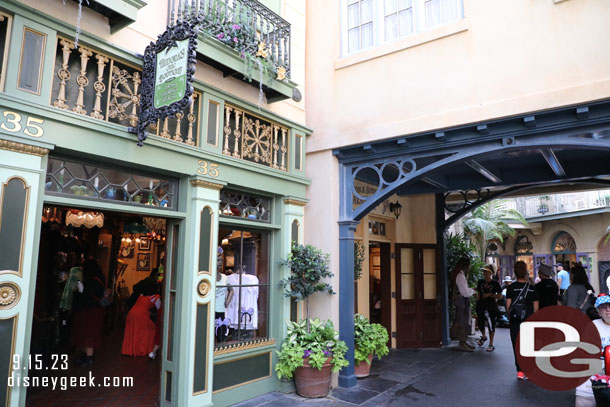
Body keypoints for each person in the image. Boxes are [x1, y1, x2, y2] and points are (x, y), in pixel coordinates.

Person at [506, 260, 539, 380]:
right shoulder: (532, 288)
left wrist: (509, 316)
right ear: (525, 272)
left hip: (515, 321)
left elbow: (508, 305)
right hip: (529, 320)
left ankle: (520, 371)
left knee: (516, 344)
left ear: (515, 272)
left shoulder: (511, 288)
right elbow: (536, 307)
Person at [575, 295, 610, 407]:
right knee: (584, 395)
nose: (608, 310)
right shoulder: (593, 325)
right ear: (599, 312)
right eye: (604, 307)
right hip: (597, 369)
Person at [71, 258, 106, 367]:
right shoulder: (100, 279)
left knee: (87, 333)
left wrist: (79, 292)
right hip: (96, 310)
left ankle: (88, 358)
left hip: (89, 311)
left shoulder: (91, 281)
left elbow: (85, 296)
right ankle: (87, 356)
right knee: (91, 333)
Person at [122, 286, 161, 357]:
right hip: (142, 315)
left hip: (132, 313)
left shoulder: (141, 295)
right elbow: (159, 308)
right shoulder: (155, 297)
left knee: (133, 330)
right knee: (151, 329)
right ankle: (143, 349)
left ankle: (131, 350)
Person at [475, 264, 502, 352]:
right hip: (481, 305)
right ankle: (483, 336)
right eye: (484, 271)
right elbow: (479, 293)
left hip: (491, 306)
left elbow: (500, 296)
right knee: (480, 323)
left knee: (491, 324)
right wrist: (476, 297)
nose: (485, 273)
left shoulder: (495, 283)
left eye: (486, 272)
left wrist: (491, 295)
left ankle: (491, 344)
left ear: (490, 273)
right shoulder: (480, 282)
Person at [451, 256, 475, 352]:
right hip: (462, 301)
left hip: (460, 301)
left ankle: (464, 342)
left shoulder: (459, 274)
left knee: (463, 321)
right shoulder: (460, 276)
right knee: (463, 321)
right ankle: (462, 343)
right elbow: (464, 291)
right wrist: (473, 291)